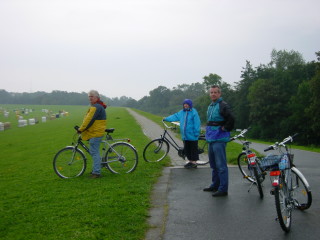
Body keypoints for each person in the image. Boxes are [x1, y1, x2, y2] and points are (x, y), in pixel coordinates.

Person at [203, 85, 234, 197]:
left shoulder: (223, 105)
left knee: (221, 165)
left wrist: (225, 128)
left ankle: (223, 189)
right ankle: (215, 185)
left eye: (215, 92)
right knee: (213, 164)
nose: (213, 94)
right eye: (211, 92)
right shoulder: (211, 106)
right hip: (211, 137)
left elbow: (231, 118)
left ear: (219, 94)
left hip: (219, 138)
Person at [77, 90, 107, 178]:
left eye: (92, 96)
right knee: (94, 152)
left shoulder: (96, 107)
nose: (90, 98)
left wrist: (81, 129)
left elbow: (88, 120)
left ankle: (96, 172)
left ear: (97, 97)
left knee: (94, 152)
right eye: (89, 97)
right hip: (96, 131)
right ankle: (96, 168)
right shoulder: (98, 106)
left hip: (95, 133)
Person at [163, 99, 201, 169]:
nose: (185, 105)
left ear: (190, 105)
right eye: (184, 104)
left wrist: (196, 132)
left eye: (187, 104)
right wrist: (166, 119)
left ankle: (194, 163)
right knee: (187, 149)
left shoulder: (194, 112)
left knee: (193, 149)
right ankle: (190, 161)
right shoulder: (182, 112)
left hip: (192, 134)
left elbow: (197, 122)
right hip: (185, 135)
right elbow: (174, 116)